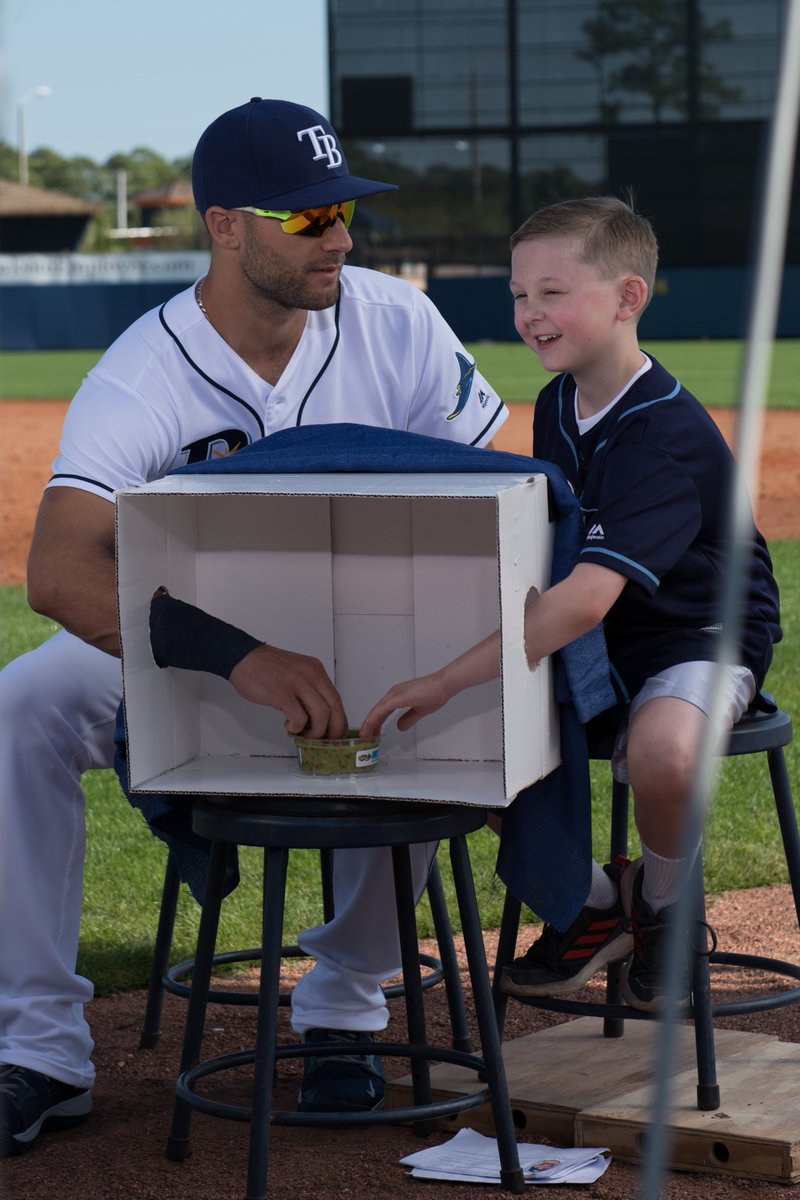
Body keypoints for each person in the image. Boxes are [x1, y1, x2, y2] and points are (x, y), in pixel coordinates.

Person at [0, 96, 509, 1157]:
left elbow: (512, 489)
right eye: (307, 218)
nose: (340, 237)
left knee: (413, 694)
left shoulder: (394, 323)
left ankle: (341, 1007)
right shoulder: (145, 371)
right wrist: (236, 657)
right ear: (223, 223)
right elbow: (57, 571)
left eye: (341, 212)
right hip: (203, 655)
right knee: (20, 707)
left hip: (378, 631)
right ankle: (42, 1049)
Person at [361, 195, 782, 1012]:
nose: (529, 313)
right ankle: (595, 907)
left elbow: (583, 601)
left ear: (628, 297)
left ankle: (662, 904)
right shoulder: (558, 403)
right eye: (519, 294)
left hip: (697, 637)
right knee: (462, 739)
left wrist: (448, 675)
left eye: (552, 293)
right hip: (608, 643)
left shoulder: (662, 433)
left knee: (662, 752)